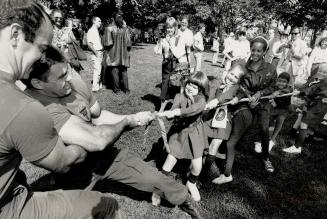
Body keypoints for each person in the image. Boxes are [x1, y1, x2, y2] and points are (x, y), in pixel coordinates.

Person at [23, 45, 202, 219]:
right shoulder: (37, 107)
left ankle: (183, 198)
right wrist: (127, 122)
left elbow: (98, 116)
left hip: (105, 156)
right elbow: (97, 141)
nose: (70, 77)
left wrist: (135, 117)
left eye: (68, 70)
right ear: (38, 83)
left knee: (152, 177)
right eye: (62, 76)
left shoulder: (69, 84)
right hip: (75, 173)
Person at [0, 1, 122, 218]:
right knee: (107, 206)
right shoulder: (22, 108)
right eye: (42, 48)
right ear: (16, 35)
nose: (42, 59)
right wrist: (87, 139)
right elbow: (65, 161)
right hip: (7, 206)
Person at [159, 72, 208, 202]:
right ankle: (159, 186)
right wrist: (172, 113)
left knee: (197, 166)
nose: (190, 88)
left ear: (201, 91)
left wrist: (179, 112)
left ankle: (191, 183)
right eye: (189, 84)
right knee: (170, 159)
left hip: (194, 133)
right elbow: (175, 106)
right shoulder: (179, 96)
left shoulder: (201, 100)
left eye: (195, 87)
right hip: (179, 132)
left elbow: (194, 109)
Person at [202, 64, 248, 184]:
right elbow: (210, 96)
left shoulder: (238, 89)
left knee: (214, 145)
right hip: (211, 119)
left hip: (224, 123)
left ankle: (202, 175)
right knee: (203, 144)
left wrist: (222, 99)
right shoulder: (219, 85)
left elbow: (231, 94)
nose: (232, 78)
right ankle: (196, 166)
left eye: (236, 77)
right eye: (231, 74)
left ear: (239, 81)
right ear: (227, 72)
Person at [237, 36, 277, 173]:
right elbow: (240, 85)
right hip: (246, 101)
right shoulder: (243, 66)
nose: (255, 53)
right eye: (253, 50)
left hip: (263, 103)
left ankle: (266, 158)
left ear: (264, 52)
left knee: (264, 129)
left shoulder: (271, 68)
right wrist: (249, 97)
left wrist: (259, 94)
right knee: (240, 122)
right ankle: (230, 147)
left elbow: (273, 87)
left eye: (259, 51)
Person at [283, 65, 327, 154]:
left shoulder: (325, 83)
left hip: (318, 106)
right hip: (312, 103)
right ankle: (295, 135)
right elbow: (306, 86)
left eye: (324, 72)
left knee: (304, 123)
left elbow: (311, 90)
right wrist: (299, 90)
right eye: (320, 71)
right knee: (303, 118)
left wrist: (301, 92)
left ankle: (297, 147)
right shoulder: (316, 79)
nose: (321, 73)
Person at [154, 17, 188, 112]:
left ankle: (178, 109)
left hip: (177, 65)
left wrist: (170, 42)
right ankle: (161, 108)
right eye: (168, 27)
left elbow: (178, 54)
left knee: (176, 87)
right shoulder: (165, 39)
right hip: (166, 65)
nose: (169, 30)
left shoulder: (179, 38)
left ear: (175, 27)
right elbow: (157, 52)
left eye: (171, 27)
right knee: (164, 87)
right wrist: (160, 42)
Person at [254, 72, 293, 153]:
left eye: (284, 82)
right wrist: (262, 94)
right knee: (267, 120)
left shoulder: (289, 89)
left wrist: (278, 92)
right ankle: (260, 140)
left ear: (287, 83)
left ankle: (271, 141)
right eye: (279, 81)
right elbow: (268, 90)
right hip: (274, 108)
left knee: (280, 119)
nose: (281, 83)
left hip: (283, 109)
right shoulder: (274, 87)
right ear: (276, 80)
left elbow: (287, 90)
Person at [103, 14, 131, 94]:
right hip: (124, 55)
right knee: (124, 71)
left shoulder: (109, 29)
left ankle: (117, 90)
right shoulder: (126, 30)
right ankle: (126, 89)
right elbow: (129, 44)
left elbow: (108, 43)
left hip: (113, 54)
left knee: (115, 71)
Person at [87, 16, 103, 92]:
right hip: (96, 52)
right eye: (99, 21)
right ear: (94, 21)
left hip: (99, 52)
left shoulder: (96, 30)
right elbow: (89, 44)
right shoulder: (91, 31)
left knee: (99, 70)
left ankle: (98, 85)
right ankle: (95, 88)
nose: (100, 22)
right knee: (97, 70)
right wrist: (96, 53)